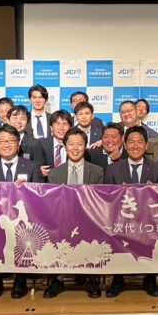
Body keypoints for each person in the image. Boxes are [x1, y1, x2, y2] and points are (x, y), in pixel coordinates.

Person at [0, 124, 44, 299]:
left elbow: (40, 197)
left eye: (10, 141)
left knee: (24, 238)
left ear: (18, 143)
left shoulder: (32, 167)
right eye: (2, 142)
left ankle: (20, 282)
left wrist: (28, 189)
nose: (6, 145)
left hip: (24, 220)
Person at [103, 125, 158, 297]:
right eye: (131, 142)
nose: (135, 146)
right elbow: (106, 199)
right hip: (120, 220)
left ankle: (150, 280)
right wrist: (119, 194)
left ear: (146, 146)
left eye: (140, 142)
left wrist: (154, 192)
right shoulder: (113, 169)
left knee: (154, 236)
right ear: (124, 145)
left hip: (149, 221)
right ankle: (118, 281)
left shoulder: (157, 169)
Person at [47, 127, 104, 298]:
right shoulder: (55, 173)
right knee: (50, 231)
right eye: (71, 144)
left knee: (95, 232)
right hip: (61, 220)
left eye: (79, 144)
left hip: (88, 219)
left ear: (85, 146)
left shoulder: (97, 171)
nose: (75, 148)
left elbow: (99, 202)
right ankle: (56, 280)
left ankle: (91, 280)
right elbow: (51, 204)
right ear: (65, 147)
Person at [34, 110, 73, 179]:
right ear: (51, 127)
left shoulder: (75, 145)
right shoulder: (41, 144)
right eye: (57, 124)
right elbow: (36, 169)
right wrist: (39, 172)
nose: (61, 128)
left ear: (70, 127)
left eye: (65, 124)